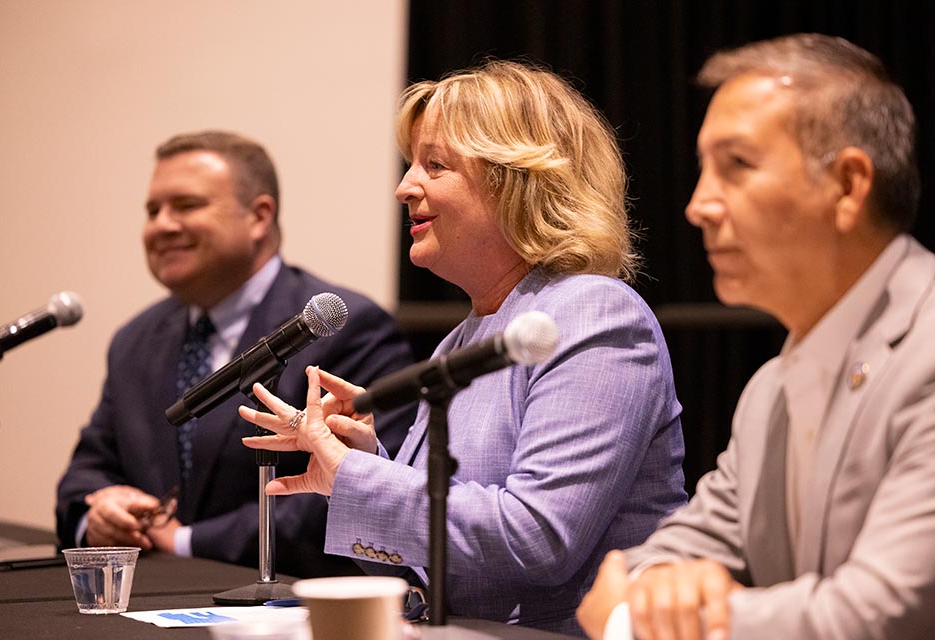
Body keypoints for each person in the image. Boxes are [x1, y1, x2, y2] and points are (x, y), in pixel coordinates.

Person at [236, 60, 687, 635]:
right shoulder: (465, 338)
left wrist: (358, 477)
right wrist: (357, 465)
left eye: (435, 165)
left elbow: (537, 538)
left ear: (517, 179)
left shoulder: (595, 314)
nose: (404, 188)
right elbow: (438, 570)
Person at [576, 33, 935, 640]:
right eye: (702, 170)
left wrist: (632, 619)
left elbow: (886, 613)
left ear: (847, 185)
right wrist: (659, 588)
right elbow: (677, 550)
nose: (697, 206)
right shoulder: (772, 388)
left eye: (736, 166)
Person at [56, 130, 416, 578]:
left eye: (186, 206)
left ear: (259, 216)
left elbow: (354, 495)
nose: (161, 225)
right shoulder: (135, 339)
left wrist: (184, 542)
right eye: (152, 210)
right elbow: (88, 469)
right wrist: (100, 512)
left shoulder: (346, 328)